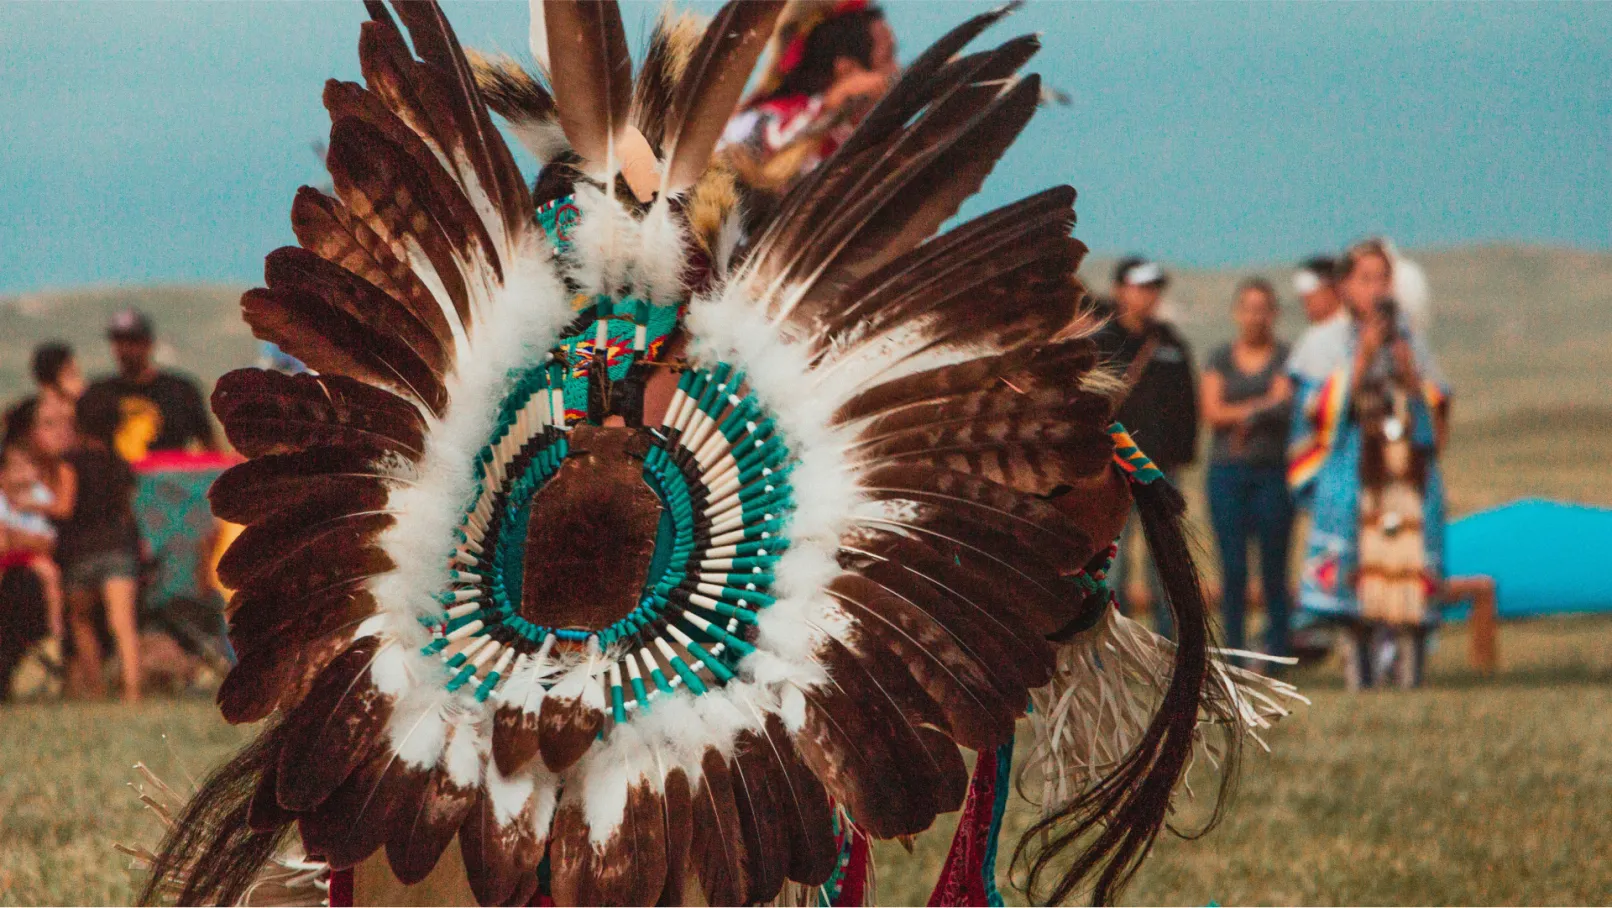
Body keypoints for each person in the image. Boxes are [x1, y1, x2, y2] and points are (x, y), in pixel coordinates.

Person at [139, 6, 1298, 908]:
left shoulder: (760, 420)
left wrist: (1007, 464)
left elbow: (1052, 536)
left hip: (689, 752)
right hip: (510, 753)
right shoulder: (512, 431)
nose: (614, 350)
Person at [1288, 239, 1450, 690]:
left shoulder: (1409, 340)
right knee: (1354, 583)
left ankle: (1408, 675)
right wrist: (1360, 360)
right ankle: (1359, 675)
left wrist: (1411, 376)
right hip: (1349, 470)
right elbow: (1311, 413)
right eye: (1366, 278)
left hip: (1405, 474)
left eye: (1384, 278)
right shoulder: (1323, 342)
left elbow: (1438, 403)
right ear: (1343, 286)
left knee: (1408, 572)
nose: (1377, 288)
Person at [1094, 256, 1199, 637]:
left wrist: (1181, 458)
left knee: (1165, 565)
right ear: (1120, 289)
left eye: (1153, 287)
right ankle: (1112, 647)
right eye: (1140, 286)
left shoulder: (1170, 343)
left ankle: (1169, 652)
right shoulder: (1100, 343)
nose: (1147, 295)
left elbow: (1188, 406)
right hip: (1112, 473)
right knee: (1112, 566)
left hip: (1160, 472)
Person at [1201, 278, 1294, 661]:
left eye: (1263, 308)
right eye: (1248, 308)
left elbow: (1287, 402)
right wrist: (1260, 407)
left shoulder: (1287, 357)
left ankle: (1277, 653)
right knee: (1233, 567)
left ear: (1274, 313)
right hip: (1227, 474)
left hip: (1272, 473)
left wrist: (1239, 413)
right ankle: (1235, 654)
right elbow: (1212, 413)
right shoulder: (1220, 358)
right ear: (1237, 313)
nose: (1255, 317)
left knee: (1274, 567)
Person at [721, 0, 898, 195]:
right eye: (888, 57)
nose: (895, 70)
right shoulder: (763, 120)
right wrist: (830, 105)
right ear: (847, 69)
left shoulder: (860, 143)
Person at [56, 391, 144, 702]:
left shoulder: (70, 462)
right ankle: (132, 693)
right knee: (123, 624)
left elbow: (65, 508)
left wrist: (31, 504)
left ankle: (96, 689)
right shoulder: (121, 464)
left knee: (82, 622)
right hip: (118, 548)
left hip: (81, 551)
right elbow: (128, 513)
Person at [80, 308, 217, 463]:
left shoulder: (180, 391)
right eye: (118, 341)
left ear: (149, 343)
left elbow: (209, 446)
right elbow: (87, 447)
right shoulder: (98, 393)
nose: (125, 349)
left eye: (132, 341)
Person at [0, 436, 67, 663]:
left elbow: (48, 538)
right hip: (7, 557)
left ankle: (55, 627)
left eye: (29, 467)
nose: (23, 474)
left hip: (32, 556)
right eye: (16, 468)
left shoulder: (40, 495)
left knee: (51, 575)